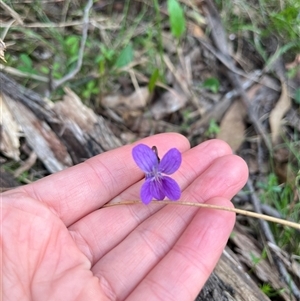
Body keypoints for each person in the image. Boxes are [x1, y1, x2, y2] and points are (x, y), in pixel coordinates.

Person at [1, 133, 248, 301]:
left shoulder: (160, 172)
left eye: (158, 171)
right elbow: (148, 162)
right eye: (152, 172)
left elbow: (157, 168)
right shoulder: (156, 172)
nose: (155, 176)